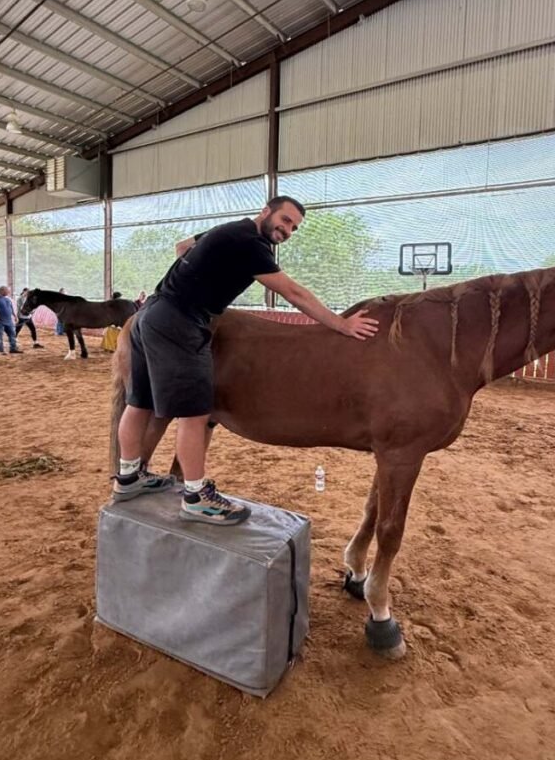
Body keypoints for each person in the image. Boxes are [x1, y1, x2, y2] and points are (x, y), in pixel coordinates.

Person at [114, 195, 379, 523]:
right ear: (266, 211)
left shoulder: (228, 230)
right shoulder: (251, 244)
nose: (288, 230)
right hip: (182, 323)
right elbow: (293, 293)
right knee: (196, 415)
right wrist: (341, 323)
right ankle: (196, 496)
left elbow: (182, 247)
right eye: (284, 220)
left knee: (139, 403)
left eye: (294, 227)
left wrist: (205, 276)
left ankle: (128, 477)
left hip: (151, 314)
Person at [0, 285, 23, 355]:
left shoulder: (8, 299)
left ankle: (13, 348)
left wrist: (15, 316)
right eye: (7, 290)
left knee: (12, 334)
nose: (9, 292)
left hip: (9, 321)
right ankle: (1, 350)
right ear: (2, 291)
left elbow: (11, 308)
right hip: (0, 321)